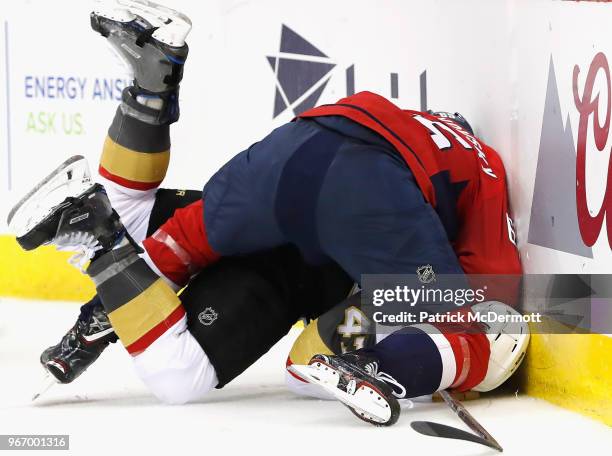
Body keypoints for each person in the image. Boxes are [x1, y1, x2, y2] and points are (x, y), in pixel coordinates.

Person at [8, 0, 526, 426]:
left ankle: (150, 87)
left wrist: (102, 316)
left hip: (289, 155)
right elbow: (504, 304)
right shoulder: (484, 171)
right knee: (177, 378)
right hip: (354, 202)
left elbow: (180, 247)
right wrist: (466, 359)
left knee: (133, 223)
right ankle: (103, 246)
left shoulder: (420, 132)